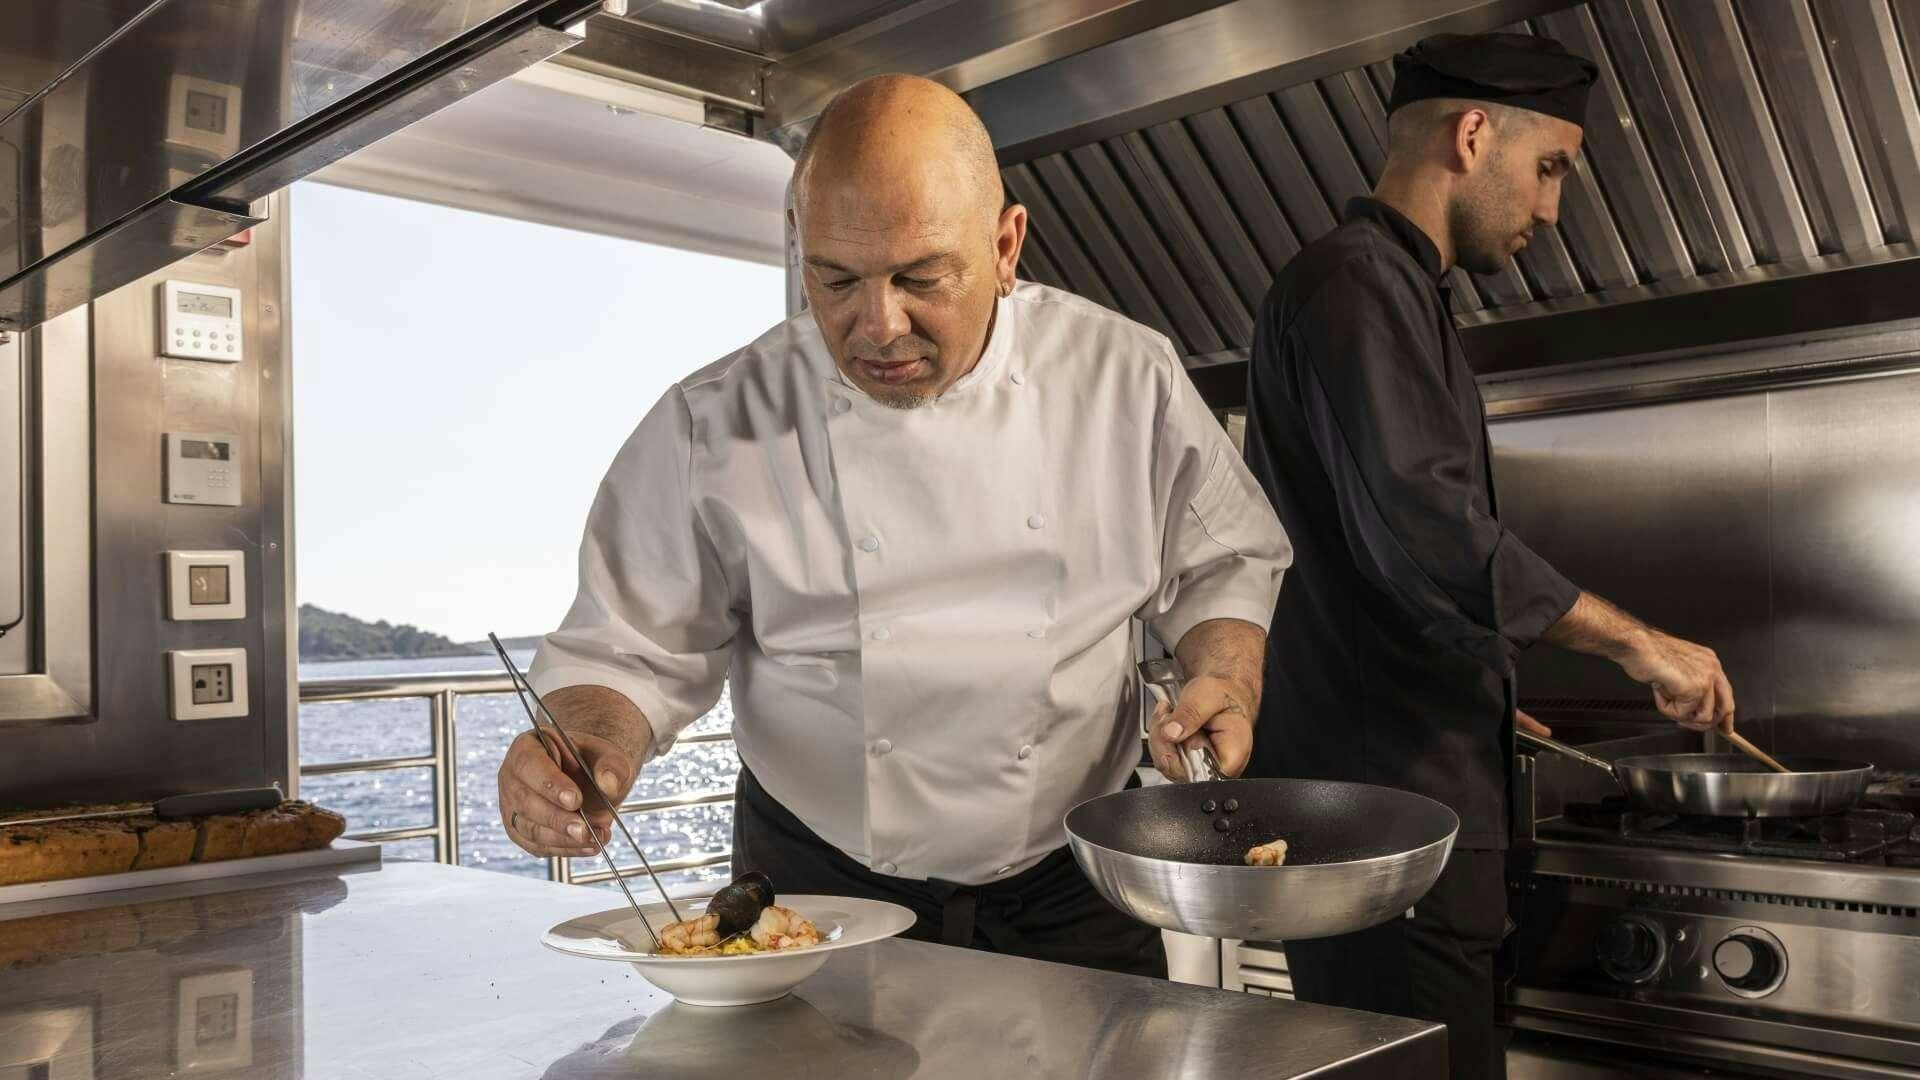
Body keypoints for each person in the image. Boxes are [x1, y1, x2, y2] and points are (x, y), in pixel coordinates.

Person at [497, 74, 1291, 977]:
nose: (878, 326)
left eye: (920, 278)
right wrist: (586, 743)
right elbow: (624, 649)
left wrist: (1224, 677)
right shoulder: (711, 423)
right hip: (813, 885)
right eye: (836, 281)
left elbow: (1225, 557)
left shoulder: (1124, 378)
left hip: (1074, 884)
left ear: (1005, 246)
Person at [1241, 32, 1736, 1079]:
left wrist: (1473, 677)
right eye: (1551, 167)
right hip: (1387, 843)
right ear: (1472, 135)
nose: (1553, 211)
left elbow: (1379, 561)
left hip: (1409, 824)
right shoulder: (1353, 288)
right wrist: (1638, 644)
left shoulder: (1390, 291)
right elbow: (1427, 531)